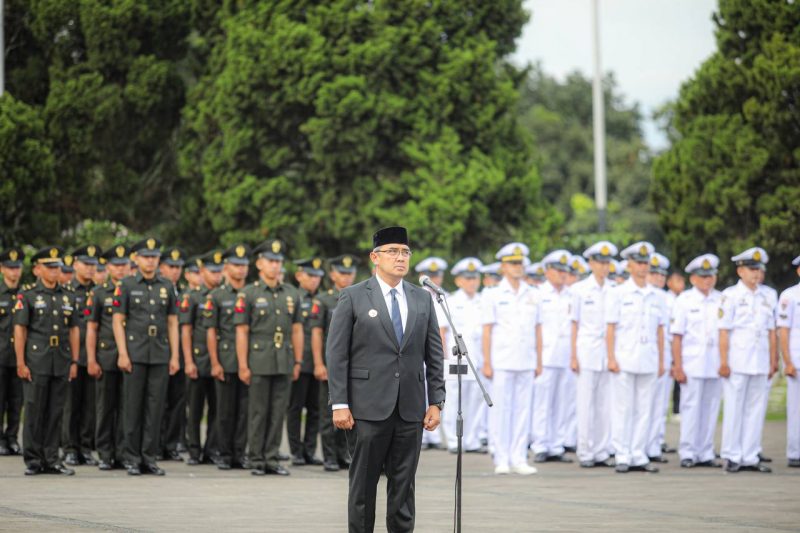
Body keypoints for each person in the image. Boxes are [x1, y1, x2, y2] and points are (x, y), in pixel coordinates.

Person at [326, 226, 444, 533]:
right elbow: (337, 355)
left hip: (410, 408)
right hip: (367, 408)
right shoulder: (353, 296)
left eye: (405, 252)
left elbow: (433, 353)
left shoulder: (422, 298)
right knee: (363, 485)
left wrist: (437, 402)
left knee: (404, 487)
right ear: (375, 258)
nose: (400, 258)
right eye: (393, 251)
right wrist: (339, 403)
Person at [235, 238, 304, 477]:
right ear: (260, 263)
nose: (275, 266)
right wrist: (243, 364)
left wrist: (297, 361)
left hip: (283, 359)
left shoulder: (291, 293)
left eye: (279, 261)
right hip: (259, 359)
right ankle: (256, 459)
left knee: (278, 411)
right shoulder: (249, 293)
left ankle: (272, 457)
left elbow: (296, 329)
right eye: (271, 261)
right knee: (258, 411)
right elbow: (242, 331)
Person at [112, 238, 181, 476]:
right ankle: (131, 457)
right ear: (136, 259)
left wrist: (175, 355)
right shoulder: (127, 285)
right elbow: (118, 321)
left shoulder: (167, 286)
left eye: (153, 257)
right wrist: (122, 352)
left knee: (155, 407)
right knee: (132, 407)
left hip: (160, 353)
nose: (150, 261)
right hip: (136, 352)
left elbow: (172, 322)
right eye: (146, 256)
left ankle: (149, 457)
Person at [14, 246, 80, 475]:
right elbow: (20, 330)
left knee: (55, 411)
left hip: (60, 359)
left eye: (57, 267)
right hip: (37, 359)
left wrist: (74, 360)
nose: (55, 271)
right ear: (37, 269)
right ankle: (33, 459)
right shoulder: (28, 295)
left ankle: (52, 458)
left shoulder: (67, 295)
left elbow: (74, 330)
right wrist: (21, 362)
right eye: (50, 267)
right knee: (34, 409)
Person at [606, 241, 666, 474]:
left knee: (645, 408)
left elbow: (660, 331)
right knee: (623, 408)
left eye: (645, 263)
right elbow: (610, 328)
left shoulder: (657, 296)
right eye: (638, 263)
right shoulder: (618, 293)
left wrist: (661, 360)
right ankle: (622, 453)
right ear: (629, 265)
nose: (642, 267)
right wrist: (611, 357)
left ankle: (639, 453)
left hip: (648, 358)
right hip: (624, 357)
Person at [482, 242, 540, 476]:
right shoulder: (493, 294)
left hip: (526, 359)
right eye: (513, 263)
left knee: (522, 410)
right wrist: (486, 362)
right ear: (503, 267)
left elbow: (538, 330)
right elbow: (487, 330)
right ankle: (502, 457)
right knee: (501, 410)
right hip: (502, 360)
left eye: (520, 263)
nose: (518, 267)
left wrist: (539, 360)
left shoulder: (533, 294)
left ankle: (519, 457)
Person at [718, 247, 777, 473]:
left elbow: (772, 331)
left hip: (760, 360)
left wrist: (774, 361)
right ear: (740, 271)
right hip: (738, 360)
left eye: (759, 269)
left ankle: (750, 455)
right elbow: (723, 331)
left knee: (756, 409)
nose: (756, 274)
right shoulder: (730, 296)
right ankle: (732, 455)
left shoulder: (768, 295)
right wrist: (723, 361)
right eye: (751, 269)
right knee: (734, 408)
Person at [670, 253, 723, 468]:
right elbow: (677, 336)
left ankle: (706, 451)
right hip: (692, 362)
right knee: (690, 408)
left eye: (710, 276)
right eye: (702, 276)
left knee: (710, 408)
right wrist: (678, 365)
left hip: (715, 362)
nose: (707, 280)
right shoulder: (684, 300)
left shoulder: (721, 299)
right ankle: (688, 451)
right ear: (692, 278)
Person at [311, 254, 360, 472]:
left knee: (350, 410)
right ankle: (329, 456)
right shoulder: (323, 300)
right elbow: (316, 333)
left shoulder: (359, 297)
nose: (346, 277)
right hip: (330, 363)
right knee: (328, 410)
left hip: (352, 365)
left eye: (350, 273)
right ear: (332, 275)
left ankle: (343, 454)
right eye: (342, 273)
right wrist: (319, 363)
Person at [571, 241, 617, 468]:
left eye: (607, 262)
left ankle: (601, 450)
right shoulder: (579, 290)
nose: (604, 267)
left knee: (604, 405)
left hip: (607, 353)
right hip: (586, 351)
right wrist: (573, 355)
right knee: (586, 403)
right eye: (600, 262)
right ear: (590, 263)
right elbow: (573, 325)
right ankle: (585, 450)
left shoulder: (614, 289)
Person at [86, 244, 131, 470]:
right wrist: (91, 359)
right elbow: (92, 328)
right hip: (106, 354)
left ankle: (122, 452)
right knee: (105, 407)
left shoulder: (133, 289)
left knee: (126, 407)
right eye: (116, 265)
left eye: (124, 265)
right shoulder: (99, 293)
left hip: (131, 356)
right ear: (108, 267)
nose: (121, 269)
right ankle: (104, 452)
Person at [439, 257, 486, 454]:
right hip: (455, 357)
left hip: (477, 357)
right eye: (467, 278)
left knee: (475, 399)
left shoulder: (484, 301)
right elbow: (442, 331)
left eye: (475, 278)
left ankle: (472, 439)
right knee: (453, 399)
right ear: (458, 280)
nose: (472, 282)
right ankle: (452, 439)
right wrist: (443, 358)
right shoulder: (450, 300)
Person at [181, 250, 223, 465]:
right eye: (212, 271)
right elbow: (186, 330)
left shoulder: (226, 295)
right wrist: (188, 360)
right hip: (198, 359)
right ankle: (194, 450)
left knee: (217, 408)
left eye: (219, 271)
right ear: (203, 271)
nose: (216, 275)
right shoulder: (193, 297)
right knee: (195, 409)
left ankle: (211, 449)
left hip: (220, 361)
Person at [531, 250, 573, 463]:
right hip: (545, 356)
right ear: (547, 271)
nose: (562, 274)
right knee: (542, 403)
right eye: (558, 270)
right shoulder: (538, 294)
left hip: (565, 357)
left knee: (562, 403)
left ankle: (557, 445)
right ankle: (541, 445)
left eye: (565, 270)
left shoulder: (572, 295)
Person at [62, 244, 102, 467]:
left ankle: (85, 448)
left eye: (93, 265)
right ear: (75, 264)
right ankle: (69, 447)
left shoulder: (98, 291)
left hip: (93, 355)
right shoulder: (67, 292)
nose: (89, 269)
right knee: (71, 404)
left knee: (89, 405)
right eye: (86, 264)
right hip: (72, 356)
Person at [287, 256, 325, 466]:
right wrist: (295, 361)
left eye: (318, 276)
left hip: (318, 363)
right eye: (310, 275)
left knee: (315, 409)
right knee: (295, 407)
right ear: (299, 275)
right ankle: (296, 451)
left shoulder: (324, 299)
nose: (314, 280)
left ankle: (309, 450)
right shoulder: (293, 297)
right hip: (298, 362)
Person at [159, 246, 188, 461]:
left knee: (177, 401)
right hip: (160, 351)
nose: (175, 271)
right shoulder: (159, 290)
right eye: (171, 266)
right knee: (159, 401)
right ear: (162, 267)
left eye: (178, 267)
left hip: (181, 353)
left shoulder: (184, 292)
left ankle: (171, 444)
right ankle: (157, 444)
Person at [646, 252, 674, 462]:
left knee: (660, 403)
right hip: (645, 354)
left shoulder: (669, 299)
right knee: (643, 403)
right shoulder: (645, 296)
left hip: (663, 355)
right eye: (654, 273)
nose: (658, 278)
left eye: (661, 274)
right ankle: (642, 444)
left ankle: (655, 443)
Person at [0, 247, 24, 456]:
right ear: (2, 269)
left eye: (17, 268)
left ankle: (12, 438)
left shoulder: (26, 294)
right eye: (10, 268)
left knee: (17, 401)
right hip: (0, 356)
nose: (14, 272)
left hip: (19, 357)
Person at [777, 254, 800, 467]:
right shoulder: (789, 296)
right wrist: (788, 361)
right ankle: (795, 452)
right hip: (797, 359)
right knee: (796, 409)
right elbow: (783, 331)